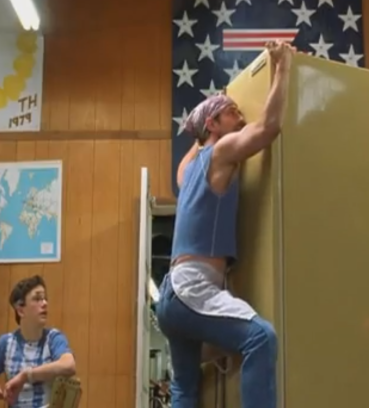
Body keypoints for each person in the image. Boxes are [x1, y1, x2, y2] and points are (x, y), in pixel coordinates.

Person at [155, 40, 295, 408]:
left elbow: (189, 152)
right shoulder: (220, 152)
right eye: (233, 112)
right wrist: (282, 67)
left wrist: (210, 118)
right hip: (193, 288)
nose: (241, 117)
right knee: (261, 338)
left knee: (185, 388)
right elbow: (269, 127)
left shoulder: (188, 172)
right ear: (214, 125)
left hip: (172, 299)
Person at [0, 275, 76, 408]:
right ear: (21, 310)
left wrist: (26, 375)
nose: (45, 303)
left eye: (45, 298)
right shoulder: (6, 343)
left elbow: (69, 365)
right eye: (37, 299)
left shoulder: (53, 338)